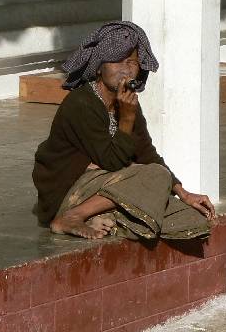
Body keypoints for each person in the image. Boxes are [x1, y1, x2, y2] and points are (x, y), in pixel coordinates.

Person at [32, 21, 215, 241]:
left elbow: (147, 153)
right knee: (155, 176)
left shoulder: (127, 102)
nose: (126, 69)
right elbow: (113, 162)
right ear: (99, 67)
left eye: (132, 62)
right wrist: (126, 118)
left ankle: (104, 216)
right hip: (68, 191)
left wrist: (184, 194)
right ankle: (71, 217)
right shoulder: (81, 103)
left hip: (109, 184)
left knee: (190, 221)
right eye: (117, 61)